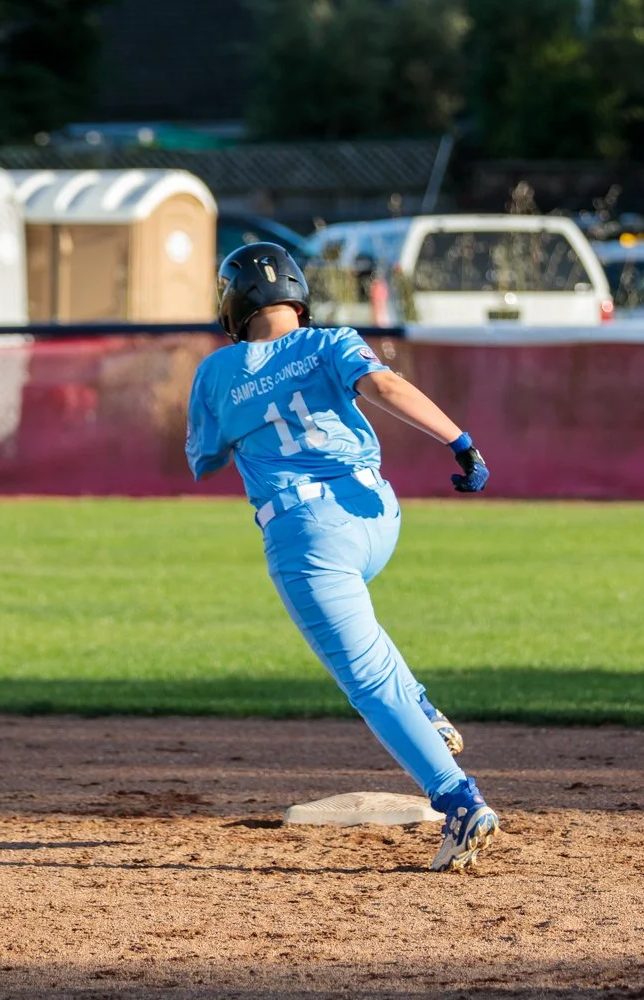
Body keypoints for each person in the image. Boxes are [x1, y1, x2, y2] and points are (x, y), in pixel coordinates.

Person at [186, 243, 498, 872]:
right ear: (298, 294)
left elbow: (205, 459)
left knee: (366, 681)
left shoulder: (216, 372)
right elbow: (384, 384)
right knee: (371, 649)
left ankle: (460, 801)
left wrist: (245, 414)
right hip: (376, 514)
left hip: (305, 533)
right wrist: (461, 443)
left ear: (233, 303)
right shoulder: (331, 341)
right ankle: (424, 709)